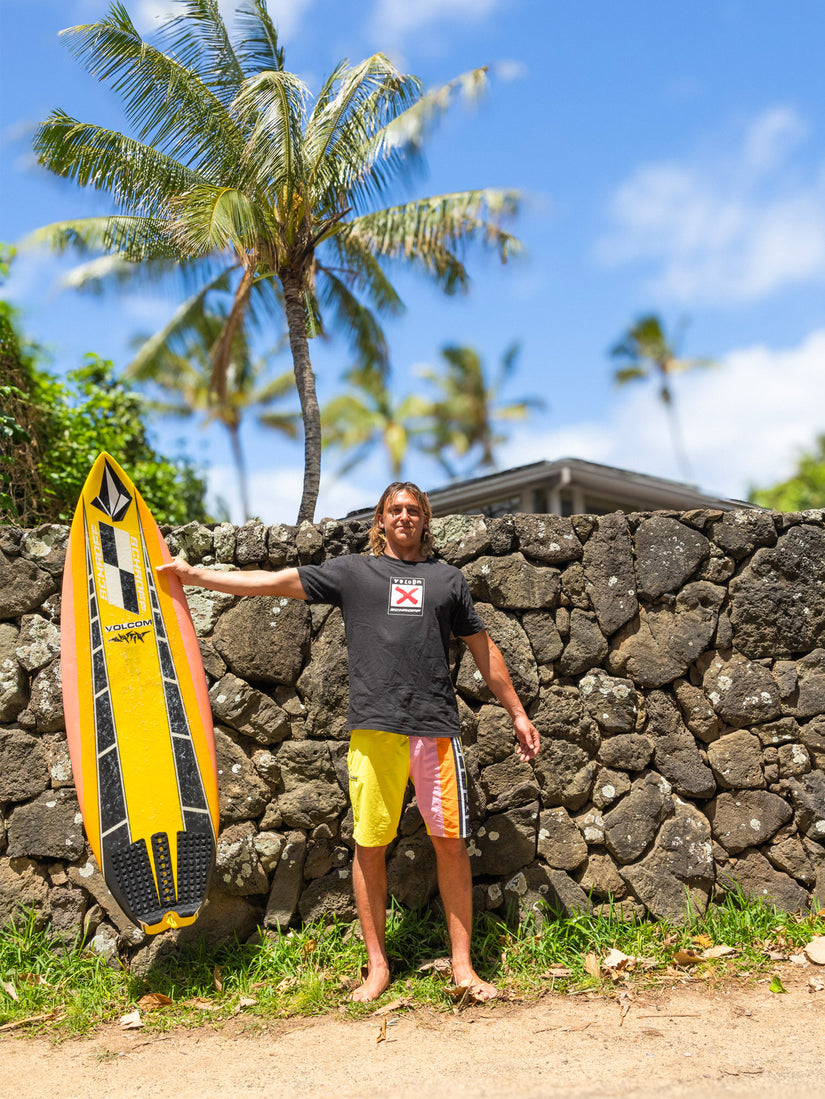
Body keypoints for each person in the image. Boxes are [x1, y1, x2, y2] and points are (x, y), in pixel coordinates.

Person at [157, 482, 540, 1002]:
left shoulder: (447, 580)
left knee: (450, 845)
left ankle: (464, 967)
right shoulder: (353, 572)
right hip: (374, 732)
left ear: (425, 520)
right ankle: (377, 968)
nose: (403, 516)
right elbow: (271, 582)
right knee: (369, 846)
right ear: (379, 521)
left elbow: (484, 650)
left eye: (412, 510)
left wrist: (517, 713)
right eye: (394, 510)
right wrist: (198, 576)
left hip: (435, 732)